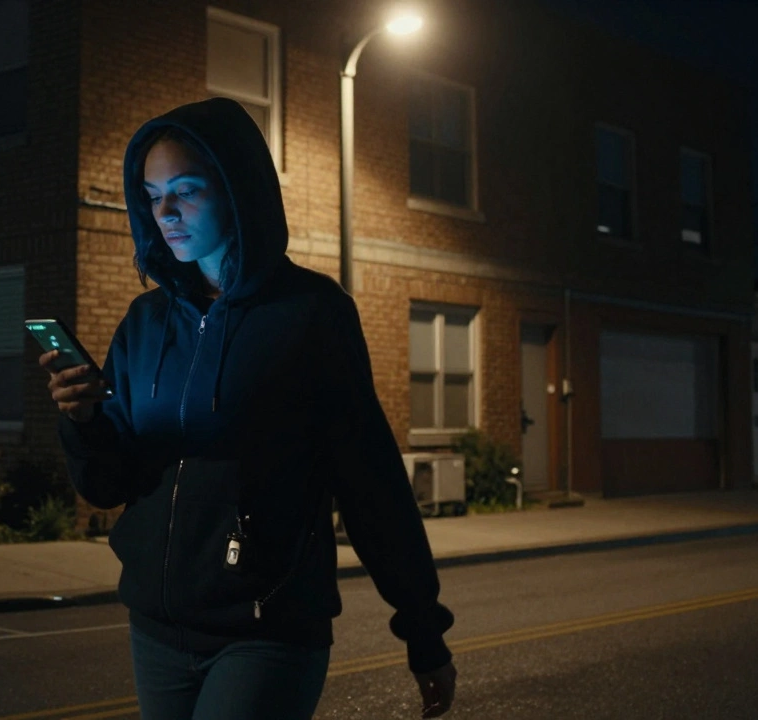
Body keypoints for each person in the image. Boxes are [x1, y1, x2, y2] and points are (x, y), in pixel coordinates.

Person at [40, 97, 457, 719]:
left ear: (237, 190)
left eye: (186, 191)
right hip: (157, 631)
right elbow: (109, 485)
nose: (166, 213)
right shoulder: (145, 322)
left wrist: (422, 629)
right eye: (153, 196)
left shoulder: (311, 313)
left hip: (268, 629)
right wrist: (83, 423)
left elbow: (369, 479)